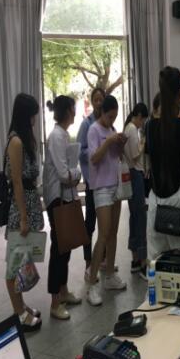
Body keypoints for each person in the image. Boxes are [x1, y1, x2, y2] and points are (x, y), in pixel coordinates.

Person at [145, 67, 180, 260]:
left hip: (155, 202)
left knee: (156, 261)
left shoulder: (149, 127)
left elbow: (150, 160)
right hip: (177, 201)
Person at [2, 94, 44, 332]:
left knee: (21, 259)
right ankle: (19, 314)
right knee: (13, 264)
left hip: (29, 202)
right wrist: (24, 217)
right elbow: (17, 181)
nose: (34, 119)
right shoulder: (16, 141)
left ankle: (22, 306)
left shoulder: (24, 139)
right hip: (21, 208)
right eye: (33, 115)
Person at [43, 96, 85, 320]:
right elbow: (63, 173)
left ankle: (63, 291)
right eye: (74, 108)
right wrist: (77, 173)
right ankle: (54, 302)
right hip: (57, 198)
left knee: (65, 246)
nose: (75, 112)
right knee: (59, 249)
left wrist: (73, 174)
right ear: (68, 110)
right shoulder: (57, 136)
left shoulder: (62, 134)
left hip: (65, 196)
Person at [84, 95, 128, 306]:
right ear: (102, 112)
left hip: (115, 185)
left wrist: (120, 144)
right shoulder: (94, 130)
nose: (112, 120)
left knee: (113, 233)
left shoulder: (111, 130)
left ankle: (109, 274)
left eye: (115, 117)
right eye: (110, 116)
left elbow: (116, 157)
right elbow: (93, 158)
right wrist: (109, 141)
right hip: (101, 187)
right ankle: (92, 283)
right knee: (102, 235)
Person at [77, 87, 106, 268]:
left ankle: (102, 259)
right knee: (90, 223)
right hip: (92, 181)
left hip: (106, 181)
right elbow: (80, 151)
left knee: (106, 224)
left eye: (101, 99)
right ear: (92, 101)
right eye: (95, 99)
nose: (98, 103)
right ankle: (88, 261)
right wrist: (97, 150)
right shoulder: (86, 124)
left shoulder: (107, 122)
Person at [122, 103, 150, 279]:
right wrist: (143, 143)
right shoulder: (132, 129)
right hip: (135, 175)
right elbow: (135, 155)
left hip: (133, 175)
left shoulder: (128, 128)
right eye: (143, 120)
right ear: (139, 115)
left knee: (135, 217)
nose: (142, 123)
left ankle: (135, 261)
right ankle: (142, 263)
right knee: (140, 218)